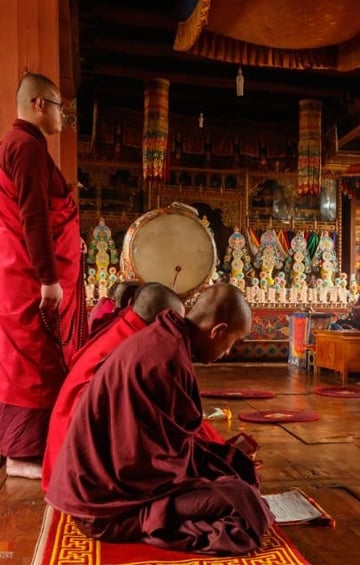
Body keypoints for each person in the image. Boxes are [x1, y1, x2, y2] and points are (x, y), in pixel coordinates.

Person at [45, 284, 274, 554]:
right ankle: (154, 522)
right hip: (107, 510)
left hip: (98, 492)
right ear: (217, 331)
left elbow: (161, 443)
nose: (227, 352)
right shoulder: (168, 358)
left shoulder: (163, 338)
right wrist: (204, 474)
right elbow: (147, 465)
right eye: (232, 343)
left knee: (233, 467)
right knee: (243, 501)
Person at [0, 73, 83, 479]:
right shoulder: (26, 148)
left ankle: (25, 449)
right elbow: (33, 216)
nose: (62, 117)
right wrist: (48, 278)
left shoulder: (21, 146)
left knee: (33, 360)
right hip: (31, 278)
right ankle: (22, 455)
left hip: (22, 273)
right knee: (34, 362)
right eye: (57, 107)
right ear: (37, 104)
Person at [41, 283, 185, 491]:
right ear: (160, 322)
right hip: (81, 470)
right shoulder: (137, 349)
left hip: (63, 456)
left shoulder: (123, 328)